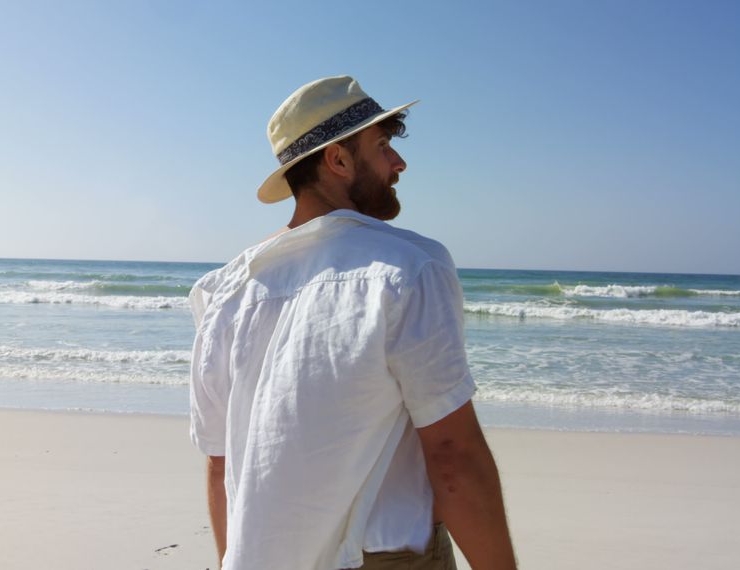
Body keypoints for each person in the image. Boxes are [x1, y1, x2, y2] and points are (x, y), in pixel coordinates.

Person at [188, 76, 517, 570]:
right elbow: (453, 455)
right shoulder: (408, 268)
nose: (399, 163)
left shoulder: (225, 291)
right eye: (383, 146)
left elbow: (221, 466)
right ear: (338, 160)